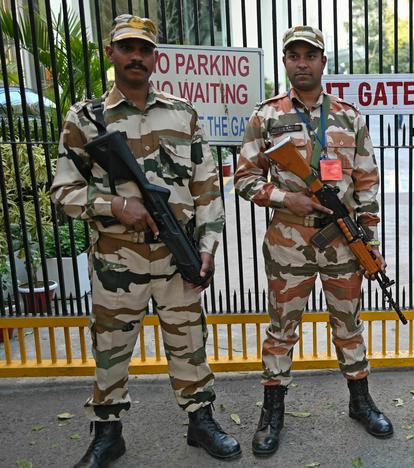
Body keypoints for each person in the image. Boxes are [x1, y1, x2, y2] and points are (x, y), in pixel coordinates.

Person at [50, 14, 239, 466]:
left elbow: (207, 190)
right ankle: (108, 432)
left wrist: (208, 248)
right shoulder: (85, 119)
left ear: (155, 57)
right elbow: (62, 192)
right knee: (111, 348)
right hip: (118, 261)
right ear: (111, 52)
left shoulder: (182, 113)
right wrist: (115, 206)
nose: (137, 56)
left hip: (179, 258)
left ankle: (201, 421)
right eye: (127, 47)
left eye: (145, 49)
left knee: (188, 341)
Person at [235, 25, 393, 456]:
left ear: (324, 62)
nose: (302, 63)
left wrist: (370, 240)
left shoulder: (349, 116)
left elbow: (367, 183)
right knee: (282, 329)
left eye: (310, 55)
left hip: (343, 242)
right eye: (294, 55)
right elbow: (245, 180)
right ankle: (273, 412)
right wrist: (290, 199)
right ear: (285, 62)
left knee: (348, 323)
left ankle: (360, 403)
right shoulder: (265, 117)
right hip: (288, 242)